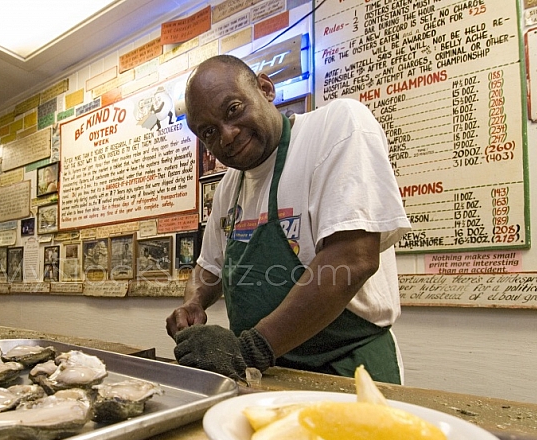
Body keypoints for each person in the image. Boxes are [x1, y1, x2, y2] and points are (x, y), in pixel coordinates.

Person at [166, 55, 411, 384]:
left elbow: (353, 259)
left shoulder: (337, 126)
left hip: (346, 370)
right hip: (267, 372)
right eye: (209, 132)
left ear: (266, 89)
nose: (226, 135)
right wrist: (194, 302)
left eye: (234, 109)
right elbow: (208, 267)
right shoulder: (229, 187)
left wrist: (250, 351)